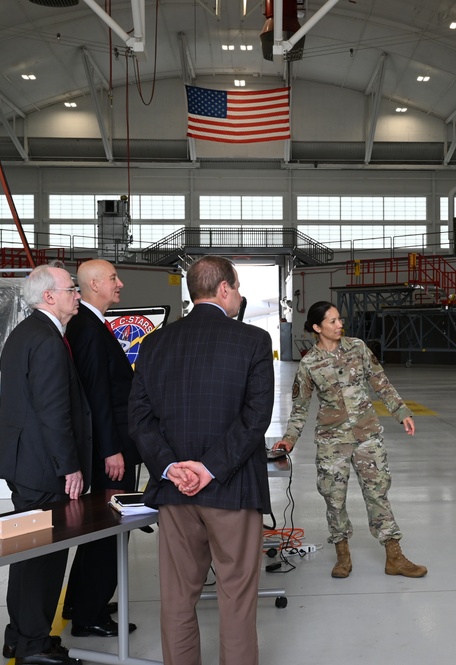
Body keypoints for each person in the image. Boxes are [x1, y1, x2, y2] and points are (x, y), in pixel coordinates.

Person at [129, 255, 274, 665]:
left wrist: (173, 468)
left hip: (175, 493)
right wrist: (209, 469)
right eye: (239, 289)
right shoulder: (253, 341)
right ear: (225, 289)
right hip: (232, 489)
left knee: (177, 598)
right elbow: (255, 418)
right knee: (236, 596)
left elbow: (139, 419)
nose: (239, 297)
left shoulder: (155, 342)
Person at [272, 301, 427, 579]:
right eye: (332, 321)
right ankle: (342, 555)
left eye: (339, 319)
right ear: (317, 327)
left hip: (367, 435)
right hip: (333, 442)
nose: (339, 324)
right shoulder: (309, 364)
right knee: (334, 498)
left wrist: (400, 411)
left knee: (378, 493)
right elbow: (300, 408)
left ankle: (394, 556)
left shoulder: (358, 348)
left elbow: (381, 382)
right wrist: (288, 439)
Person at [0, 264, 92, 665]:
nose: (78, 295)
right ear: (49, 296)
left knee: (27, 555)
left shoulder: (25, 334)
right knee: (45, 560)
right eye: (72, 289)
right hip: (44, 468)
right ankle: (35, 644)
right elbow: (54, 411)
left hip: (24, 463)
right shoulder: (48, 341)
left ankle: (19, 636)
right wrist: (69, 466)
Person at [62, 259, 138, 638]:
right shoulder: (89, 330)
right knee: (110, 529)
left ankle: (80, 599)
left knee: (99, 528)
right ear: (94, 284)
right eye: (113, 278)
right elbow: (97, 397)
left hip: (109, 446)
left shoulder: (88, 325)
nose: (119, 284)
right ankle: (89, 614)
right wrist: (111, 450)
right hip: (111, 451)